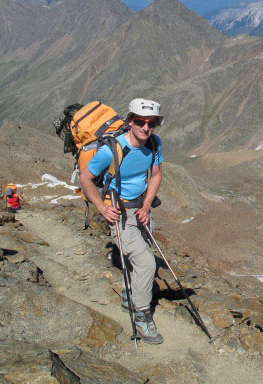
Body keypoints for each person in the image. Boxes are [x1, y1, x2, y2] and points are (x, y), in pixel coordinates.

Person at [79, 98, 164, 345]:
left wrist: (147, 205)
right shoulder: (111, 150)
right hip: (119, 212)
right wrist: (102, 207)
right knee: (147, 263)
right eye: (139, 121)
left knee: (143, 253)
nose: (145, 127)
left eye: (151, 123)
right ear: (130, 121)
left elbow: (156, 175)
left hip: (140, 209)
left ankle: (130, 291)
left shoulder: (155, 144)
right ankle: (141, 315)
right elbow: (86, 178)